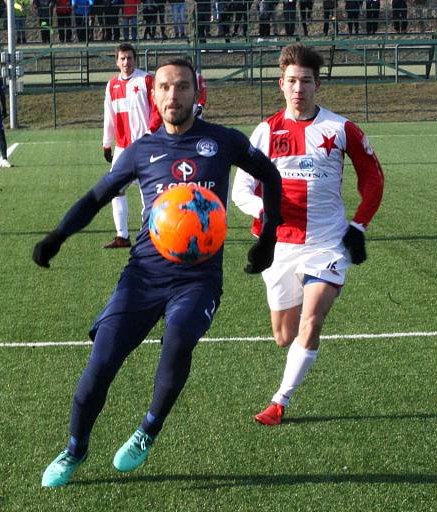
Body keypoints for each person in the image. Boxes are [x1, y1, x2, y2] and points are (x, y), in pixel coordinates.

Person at [32, 57, 283, 488]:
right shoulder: (141, 151)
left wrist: (269, 239)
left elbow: (271, 177)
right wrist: (58, 235)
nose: (173, 95)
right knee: (101, 363)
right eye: (165, 87)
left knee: (179, 338)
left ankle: (148, 429)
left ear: (196, 92)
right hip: (143, 275)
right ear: (154, 94)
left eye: (182, 86)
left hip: (198, 278)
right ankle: (75, 449)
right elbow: (96, 197)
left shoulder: (223, 141)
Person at [232, 43, 384, 426]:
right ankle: (302, 310)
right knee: (284, 336)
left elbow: (374, 179)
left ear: (318, 84)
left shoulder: (340, 128)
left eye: (306, 81)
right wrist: (266, 215)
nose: (299, 88)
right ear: (280, 84)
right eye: (292, 81)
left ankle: (279, 402)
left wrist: (359, 224)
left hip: (327, 243)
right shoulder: (266, 132)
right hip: (280, 246)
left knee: (312, 321)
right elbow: (241, 192)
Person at [101, 43, 161, 249]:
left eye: (129, 58)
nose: (126, 62)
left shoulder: (146, 80)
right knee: (115, 190)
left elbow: (157, 110)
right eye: (122, 58)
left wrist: (149, 134)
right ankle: (122, 236)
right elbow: (109, 116)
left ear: (135, 60)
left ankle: (151, 235)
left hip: (145, 146)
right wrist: (106, 143)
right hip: (122, 148)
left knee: (149, 192)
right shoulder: (111, 86)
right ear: (117, 61)